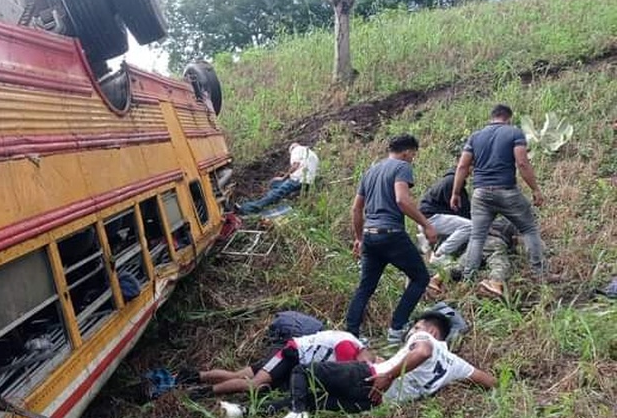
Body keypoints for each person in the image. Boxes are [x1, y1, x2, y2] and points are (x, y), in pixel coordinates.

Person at [278, 312, 496, 418]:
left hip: (370, 377)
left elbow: (423, 351)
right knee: (310, 400)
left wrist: (389, 375)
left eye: (416, 326)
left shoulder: (426, 338)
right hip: (375, 402)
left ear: (430, 331)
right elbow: (489, 381)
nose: (412, 331)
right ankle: (247, 410)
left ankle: (297, 414)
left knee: (303, 371)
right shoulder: (456, 364)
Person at [345, 134, 437, 343]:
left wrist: (359, 238)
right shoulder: (401, 167)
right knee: (421, 277)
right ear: (406, 152)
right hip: (391, 234)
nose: (413, 158)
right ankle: (397, 328)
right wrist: (427, 224)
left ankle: (351, 335)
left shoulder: (371, 171)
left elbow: (356, 209)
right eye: (413, 154)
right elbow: (402, 200)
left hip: (370, 236)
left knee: (365, 287)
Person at [451, 104, 548, 281]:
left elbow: (463, 165)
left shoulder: (475, 137)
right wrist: (535, 189)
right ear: (508, 117)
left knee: (477, 236)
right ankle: (539, 274)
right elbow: (522, 163)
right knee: (528, 228)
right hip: (506, 191)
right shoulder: (514, 133)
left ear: (492, 117)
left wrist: (455, 192)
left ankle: (468, 276)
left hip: (480, 194)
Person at [181, 330, 371, 397]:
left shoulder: (353, 343)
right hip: (291, 355)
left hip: (293, 355)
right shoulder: (348, 348)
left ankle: (194, 376)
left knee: (239, 375)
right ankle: (203, 392)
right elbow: (345, 376)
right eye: (367, 364)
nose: (365, 366)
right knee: (255, 385)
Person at [430, 217, 518, 297]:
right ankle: (494, 282)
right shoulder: (512, 222)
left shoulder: (492, 219)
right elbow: (516, 240)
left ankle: (436, 279)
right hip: (495, 241)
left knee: (461, 265)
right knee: (500, 264)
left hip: (476, 241)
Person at [236, 143, 318, 214]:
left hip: (298, 179)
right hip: (308, 182)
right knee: (279, 187)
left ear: (292, 149)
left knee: (276, 193)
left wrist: (283, 177)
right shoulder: (313, 154)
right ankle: (274, 200)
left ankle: (248, 208)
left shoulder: (296, 150)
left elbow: (295, 165)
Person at [418, 168, 471, 264]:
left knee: (462, 226)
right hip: (431, 219)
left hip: (427, 219)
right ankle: (439, 254)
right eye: (470, 166)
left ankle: (427, 248)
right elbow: (460, 210)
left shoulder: (451, 180)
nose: (471, 171)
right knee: (469, 226)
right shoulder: (452, 181)